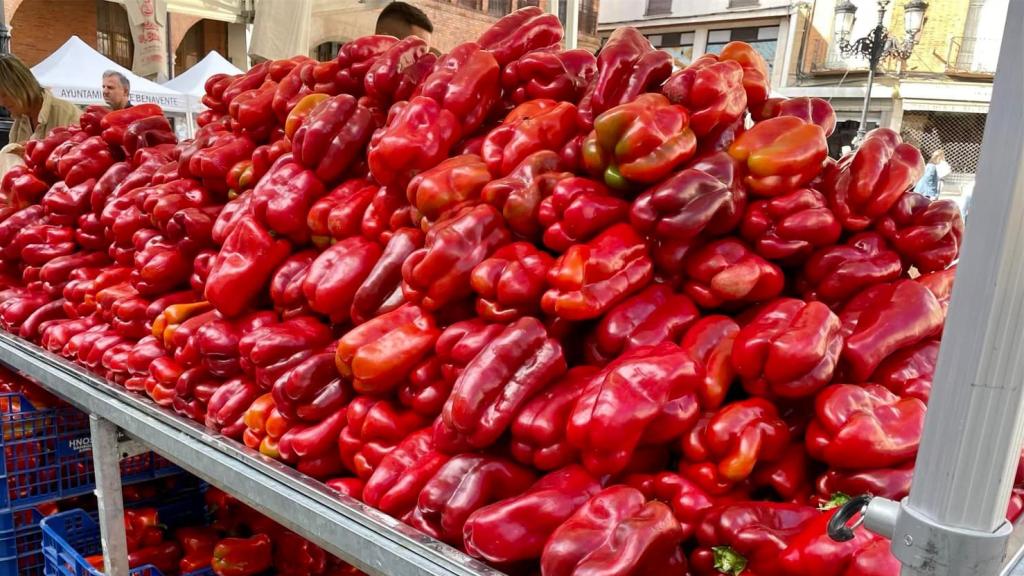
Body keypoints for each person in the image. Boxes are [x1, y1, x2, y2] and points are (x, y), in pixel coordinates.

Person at [0, 53, 81, 165]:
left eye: (4, 94)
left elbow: (81, 162)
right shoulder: (18, 124)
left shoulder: (67, 114)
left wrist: (40, 154)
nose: (1, 103)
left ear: (21, 87)